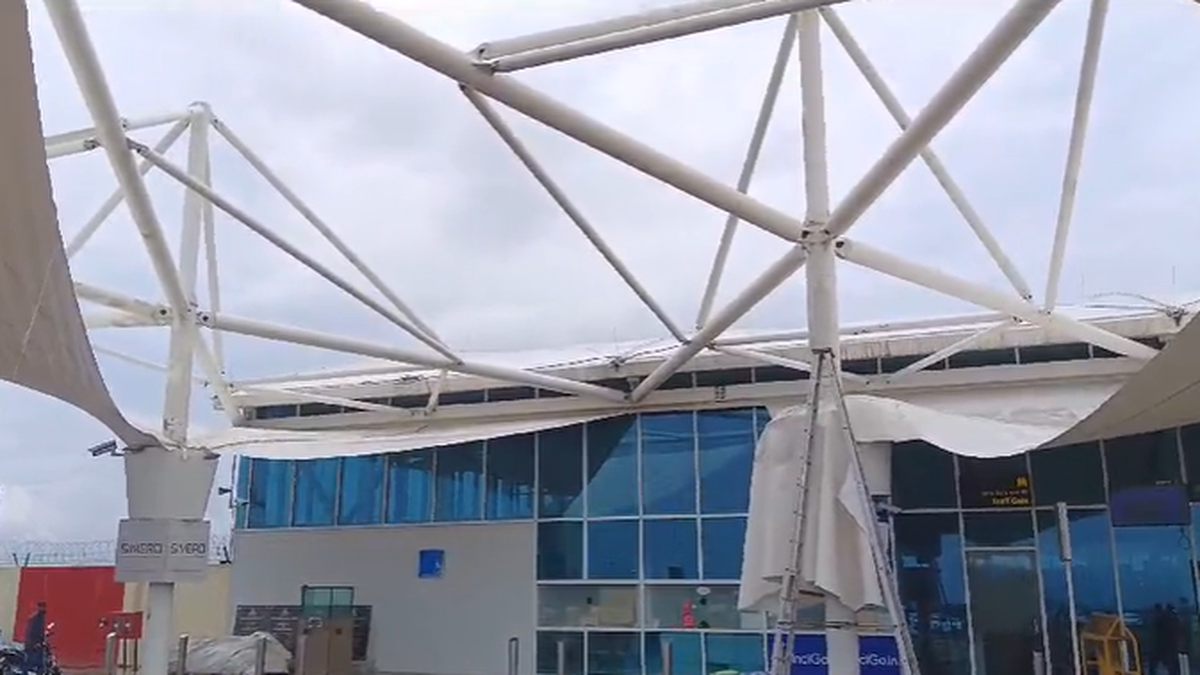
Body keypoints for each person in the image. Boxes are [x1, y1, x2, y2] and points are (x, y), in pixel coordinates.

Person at [23, 602, 46, 675]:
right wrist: (35, 643)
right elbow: (32, 632)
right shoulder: (36, 618)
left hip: (37, 644)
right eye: (41, 607)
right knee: (32, 662)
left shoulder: (41, 617)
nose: (43, 609)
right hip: (34, 644)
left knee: (37, 663)